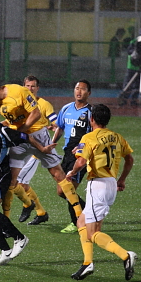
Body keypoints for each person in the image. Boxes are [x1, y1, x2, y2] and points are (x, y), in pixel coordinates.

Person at [0, 74, 83, 226]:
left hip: (37, 134)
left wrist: (22, 130)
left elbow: (36, 113)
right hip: (17, 138)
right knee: (11, 181)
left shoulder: (17, 91)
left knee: (57, 174)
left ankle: (79, 215)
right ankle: (12, 217)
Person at [0, 99, 55, 265]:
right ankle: (5, 250)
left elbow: (26, 137)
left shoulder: (4, 132)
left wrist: (42, 149)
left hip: (0, 174)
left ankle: (19, 238)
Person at [65, 104, 136, 281]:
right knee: (81, 222)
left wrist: (72, 172)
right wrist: (122, 179)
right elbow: (129, 159)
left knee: (92, 233)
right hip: (111, 183)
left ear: (92, 120)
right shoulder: (117, 137)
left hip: (97, 185)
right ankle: (87, 263)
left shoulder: (89, 136)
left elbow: (81, 162)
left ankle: (126, 256)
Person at [10, 75, 58, 225]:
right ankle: (40, 212)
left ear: (38, 88)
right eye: (27, 86)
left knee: (20, 181)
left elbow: (57, 123)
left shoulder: (44, 104)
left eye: (33, 86)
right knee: (19, 182)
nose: (30, 89)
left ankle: (31, 206)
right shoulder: (20, 104)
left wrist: (53, 130)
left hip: (37, 150)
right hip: (23, 146)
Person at [53, 80, 92, 233]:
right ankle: (87, 212)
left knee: (68, 189)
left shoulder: (90, 112)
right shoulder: (66, 108)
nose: (79, 91)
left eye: (83, 89)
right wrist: (52, 143)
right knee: (61, 191)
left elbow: (94, 133)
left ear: (89, 93)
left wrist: (83, 148)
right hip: (67, 154)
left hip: (81, 156)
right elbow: (60, 127)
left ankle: (76, 222)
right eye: (77, 88)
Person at [118, 27, 141, 107]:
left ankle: (134, 100)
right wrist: (136, 51)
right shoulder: (134, 42)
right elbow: (129, 51)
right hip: (132, 67)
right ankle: (124, 99)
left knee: (137, 85)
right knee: (128, 84)